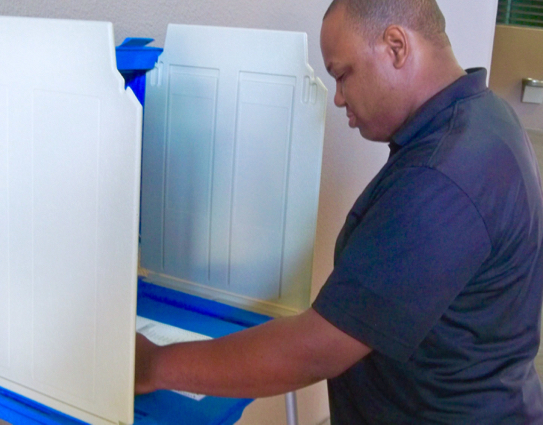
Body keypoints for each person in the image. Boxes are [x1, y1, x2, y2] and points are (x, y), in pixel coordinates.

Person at [136, 0, 543, 422]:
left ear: (396, 46)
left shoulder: (443, 176)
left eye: (343, 75)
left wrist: (151, 365)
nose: (339, 98)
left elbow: (317, 351)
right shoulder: (485, 116)